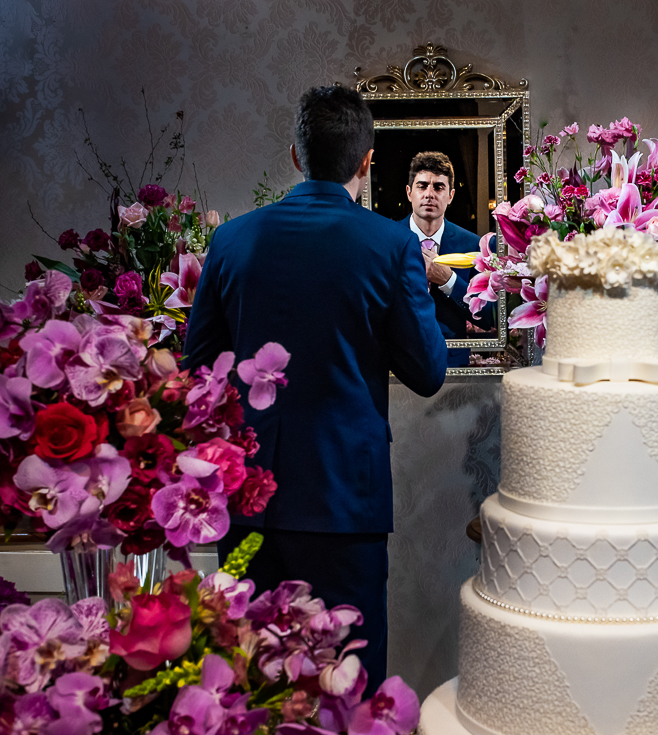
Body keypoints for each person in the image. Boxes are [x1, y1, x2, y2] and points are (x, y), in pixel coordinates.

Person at [184, 85, 447, 695]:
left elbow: (200, 368)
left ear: (296, 156)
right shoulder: (391, 245)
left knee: (255, 675)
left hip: (250, 495)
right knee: (347, 679)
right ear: (367, 162)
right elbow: (428, 372)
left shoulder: (232, 240)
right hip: (345, 497)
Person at [401, 151, 494, 368]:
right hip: (398, 361)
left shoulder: (473, 244)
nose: (429, 194)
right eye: (422, 186)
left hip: (452, 362)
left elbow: (487, 317)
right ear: (409, 193)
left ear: (451, 195)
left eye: (438, 187)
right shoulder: (388, 239)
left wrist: (449, 281)